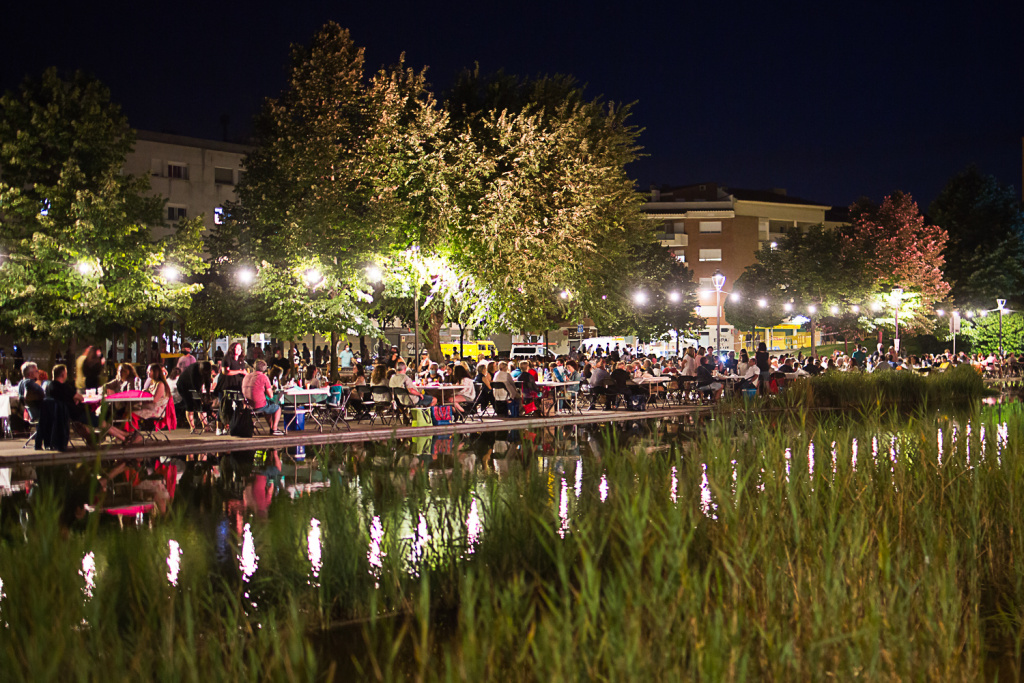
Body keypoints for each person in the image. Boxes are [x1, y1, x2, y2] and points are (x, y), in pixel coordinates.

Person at [105, 364, 172, 446]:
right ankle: (129, 434)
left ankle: (134, 434)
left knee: (131, 413)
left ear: (156, 372)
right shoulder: (153, 383)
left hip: (155, 410)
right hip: (149, 407)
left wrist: (145, 395)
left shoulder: (160, 384)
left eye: (149, 370)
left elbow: (155, 400)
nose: (147, 372)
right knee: (129, 411)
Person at [242, 360, 284, 435]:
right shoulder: (263, 377)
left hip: (247, 405)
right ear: (265, 369)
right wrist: (270, 388)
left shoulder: (246, 376)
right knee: (277, 407)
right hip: (258, 405)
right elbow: (270, 395)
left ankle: (271, 427)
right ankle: (274, 429)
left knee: (268, 406)